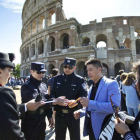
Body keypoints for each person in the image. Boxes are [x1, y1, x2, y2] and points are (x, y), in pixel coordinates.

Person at [0, 52, 46, 140]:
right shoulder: (4, 92)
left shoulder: (43, 84)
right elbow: (10, 130)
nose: (9, 75)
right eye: (9, 70)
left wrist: (25, 106)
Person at [74, 58, 121, 140]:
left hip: (104, 129)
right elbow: (92, 107)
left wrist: (89, 103)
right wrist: (82, 112)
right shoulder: (92, 86)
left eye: (90, 70)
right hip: (92, 128)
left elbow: (114, 107)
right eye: (87, 70)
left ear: (99, 69)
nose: (88, 73)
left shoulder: (111, 84)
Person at [21, 62, 68, 140]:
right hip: (30, 122)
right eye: (39, 72)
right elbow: (37, 104)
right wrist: (55, 101)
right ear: (31, 72)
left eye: (43, 72)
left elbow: (46, 99)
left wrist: (49, 116)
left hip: (42, 121)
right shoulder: (26, 86)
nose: (41, 74)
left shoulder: (43, 84)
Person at [50, 57, 87, 140]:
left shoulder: (79, 80)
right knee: (59, 137)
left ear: (74, 67)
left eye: (70, 67)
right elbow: (52, 93)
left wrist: (76, 101)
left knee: (75, 137)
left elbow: (83, 95)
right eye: (65, 66)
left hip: (73, 114)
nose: (67, 69)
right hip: (59, 114)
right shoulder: (57, 79)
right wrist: (56, 100)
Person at [115, 61, 140, 140]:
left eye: (138, 79)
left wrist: (126, 132)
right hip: (135, 102)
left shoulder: (124, 84)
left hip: (129, 102)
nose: (136, 84)